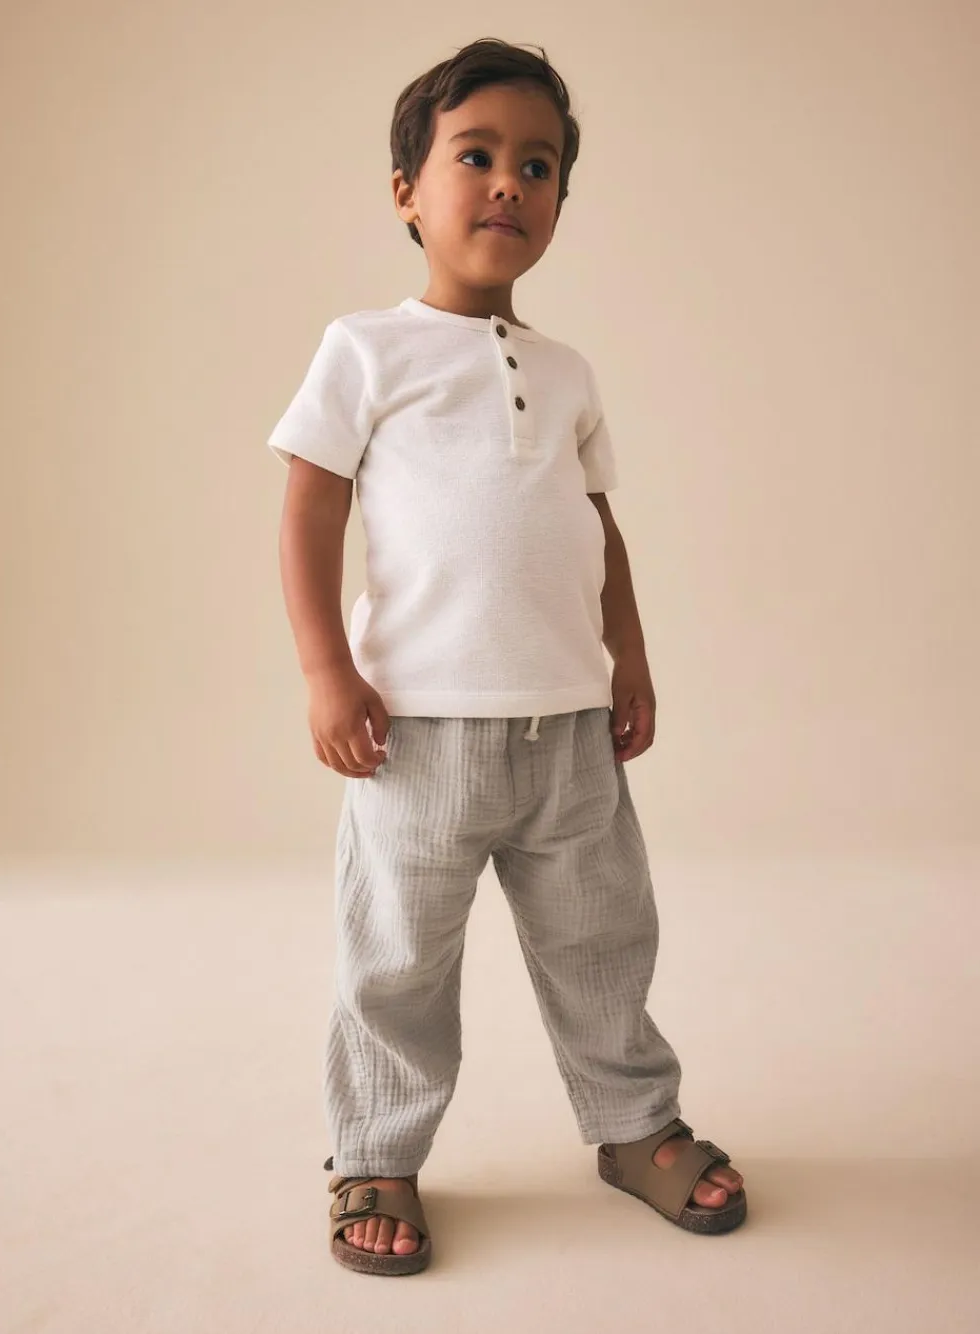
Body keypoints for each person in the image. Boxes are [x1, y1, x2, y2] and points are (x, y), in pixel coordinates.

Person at [268, 37, 746, 1277]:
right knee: (397, 960)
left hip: (569, 731)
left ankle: (633, 1124)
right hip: (415, 734)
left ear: (559, 204)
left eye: (537, 167)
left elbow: (597, 526)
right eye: (474, 156)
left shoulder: (567, 371)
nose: (507, 184)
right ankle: (376, 1150)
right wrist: (325, 670)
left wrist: (627, 657)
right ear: (406, 191)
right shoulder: (366, 348)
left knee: (604, 942)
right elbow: (310, 507)